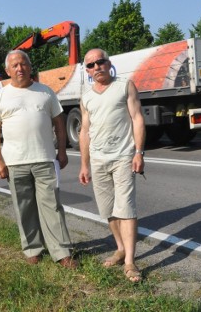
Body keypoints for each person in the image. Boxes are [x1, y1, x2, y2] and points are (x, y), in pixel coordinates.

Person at [0, 50, 77, 269]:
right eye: (15, 66)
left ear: (30, 66)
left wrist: (62, 152)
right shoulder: (0, 96)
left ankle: (62, 252)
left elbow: (59, 123)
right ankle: (33, 249)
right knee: (24, 207)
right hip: (15, 163)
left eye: (23, 64)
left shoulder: (45, 92)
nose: (20, 68)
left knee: (52, 207)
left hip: (45, 159)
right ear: (8, 71)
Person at [78, 48, 146, 282]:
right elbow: (85, 131)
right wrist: (84, 164)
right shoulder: (86, 97)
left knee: (125, 208)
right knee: (108, 210)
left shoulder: (125, 85)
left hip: (123, 157)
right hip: (98, 160)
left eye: (100, 62)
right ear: (86, 70)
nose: (96, 67)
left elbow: (137, 118)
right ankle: (120, 249)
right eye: (90, 65)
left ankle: (130, 262)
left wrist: (138, 152)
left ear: (108, 63)